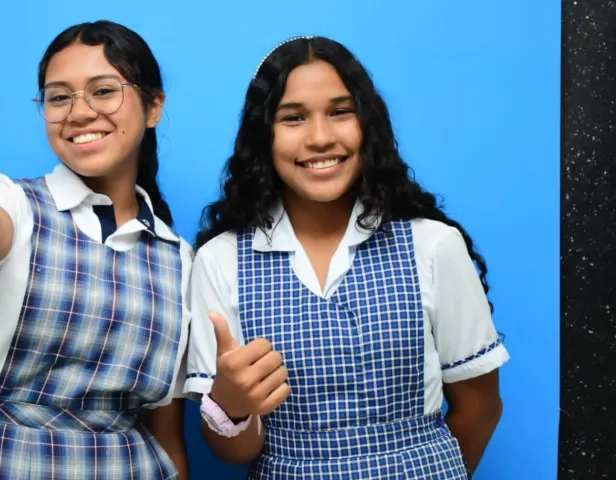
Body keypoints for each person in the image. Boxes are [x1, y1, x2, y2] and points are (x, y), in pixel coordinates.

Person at [0, 20, 192, 480]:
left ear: (153, 106)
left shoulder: (178, 258)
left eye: (104, 91)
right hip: (0, 464)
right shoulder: (16, 203)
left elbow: (168, 436)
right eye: (59, 97)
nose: (79, 112)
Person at [184, 36, 509, 479]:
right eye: (293, 117)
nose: (320, 138)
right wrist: (231, 403)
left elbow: (480, 406)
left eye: (340, 112)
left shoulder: (433, 245)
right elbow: (235, 452)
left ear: (367, 125)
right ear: (264, 135)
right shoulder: (221, 261)